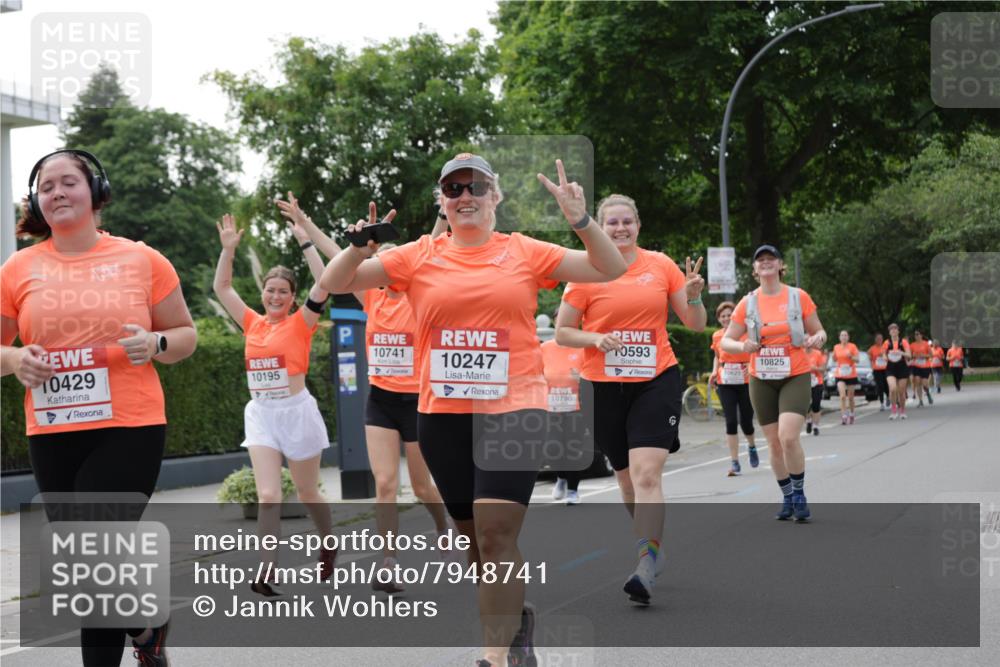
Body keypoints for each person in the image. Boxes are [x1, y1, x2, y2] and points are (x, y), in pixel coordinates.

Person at [320, 154, 626, 667]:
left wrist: (580, 219)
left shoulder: (524, 250)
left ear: (495, 196)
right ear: (442, 201)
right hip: (443, 417)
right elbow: (335, 283)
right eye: (454, 188)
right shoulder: (417, 256)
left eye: (476, 187)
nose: (465, 196)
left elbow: (610, 267)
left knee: (496, 533)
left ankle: (494, 656)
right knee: (475, 544)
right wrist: (357, 246)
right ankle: (516, 620)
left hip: (515, 410)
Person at [1, 149, 197, 666]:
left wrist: (155, 343)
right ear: (37, 203)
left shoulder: (142, 259)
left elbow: (185, 335)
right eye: (46, 187)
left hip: (129, 427)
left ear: (96, 191)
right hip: (52, 429)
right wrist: (16, 358)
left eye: (68, 182)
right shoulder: (18, 268)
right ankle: (146, 628)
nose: (57, 192)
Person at [275, 192, 452, 591]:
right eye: (378, 265)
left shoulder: (418, 297)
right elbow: (335, 254)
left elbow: (433, 244)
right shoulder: (369, 295)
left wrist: (443, 211)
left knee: (422, 487)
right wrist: (304, 223)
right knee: (385, 484)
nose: (385, 271)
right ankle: (388, 562)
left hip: (417, 402)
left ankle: (443, 528)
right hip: (381, 401)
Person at [555, 193, 706, 605]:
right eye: (612, 222)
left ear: (638, 225)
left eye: (627, 221)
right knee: (625, 481)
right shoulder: (585, 272)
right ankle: (649, 544)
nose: (620, 228)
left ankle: (645, 564)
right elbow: (563, 332)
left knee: (646, 475)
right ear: (601, 227)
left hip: (655, 379)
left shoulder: (660, 265)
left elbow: (695, 324)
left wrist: (693, 295)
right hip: (602, 387)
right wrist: (595, 339)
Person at [212, 211, 337, 597]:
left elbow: (325, 280)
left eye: (283, 291)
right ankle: (267, 570)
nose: (276, 296)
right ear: (263, 293)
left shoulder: (302, 322)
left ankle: (329, 541)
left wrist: (305, 240)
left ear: (293, 297)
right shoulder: (251, 322)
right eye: (271, 290)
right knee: (269, 495)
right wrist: (228, 250)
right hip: (262, 414)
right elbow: (222, 287)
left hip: (296, 412)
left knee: (307, 492)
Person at [721, 245, 827, 523]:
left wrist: (817, 339)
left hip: (795, 374)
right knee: (774, 443)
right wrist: (743, 345)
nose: (766, 263)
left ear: (780, 265)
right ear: (754, 269)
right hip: (761, 378)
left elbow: (819, 330)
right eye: (761, 260)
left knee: (788, 437)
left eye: (771, 259)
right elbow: (726, 341)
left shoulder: (797, 296)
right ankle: (787, 496)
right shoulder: (748, 303)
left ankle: (800, 494)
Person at [540, 309, 586, 505]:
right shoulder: (544, 348)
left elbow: (594, 376)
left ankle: (573, 491)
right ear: (554, 323)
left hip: (576, 408)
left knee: (573, 449)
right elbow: (535, 373)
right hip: (551, 407)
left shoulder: (583, 348)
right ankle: (561, 477)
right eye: (560, 319)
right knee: (552, 448)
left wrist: (581, 378)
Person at [709, 301, 758, 476]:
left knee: (746, 421)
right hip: (726, 382)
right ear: (719, 319)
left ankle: (752, 446)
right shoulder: (717, 336)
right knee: (730, 421)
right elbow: (717, 356)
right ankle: (735, 461)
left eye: (729, 315)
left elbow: (756, 354)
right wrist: (714, 371)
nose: (726, 318)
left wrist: (750, 365)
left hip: (746, 382)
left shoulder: (746, 334)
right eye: (722, 316)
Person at [882, 323, 911, 420]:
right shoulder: (887, 343)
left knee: (901, 392)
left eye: (895, 329)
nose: (893, 331)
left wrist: (901, 352)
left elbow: (909, 355)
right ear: (889, 332)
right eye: (891, 329)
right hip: (890, 367)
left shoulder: (903, 342)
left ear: (898, 331)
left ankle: (902, 411)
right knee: (893, 388)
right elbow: (883, 354)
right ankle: (894, 411)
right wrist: (885, 357)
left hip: (902, 366)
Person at [832, 330, 860, 425]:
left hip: (851, 374)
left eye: (845, 335)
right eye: (842, 335)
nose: (844, 337)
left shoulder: (852, 346)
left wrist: (851, 357)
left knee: (851, 397)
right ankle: (844, 415)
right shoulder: (836, 347)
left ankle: (851, 414)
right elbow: (834, 359)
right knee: (843, 396)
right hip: (840, 374)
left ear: (848, 337)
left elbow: (858, 360)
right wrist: (833, 357)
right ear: (839, 338)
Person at [806, 346, 827, 436]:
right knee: (806, 405)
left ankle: (815, 426)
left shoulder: (817, 353)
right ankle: (808, 421)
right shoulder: (800, 353)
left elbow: (823, 369)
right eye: (805, 341)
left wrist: (815, 368)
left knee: (816, 405)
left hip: (817, 382)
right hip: (804, 382)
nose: (807, 344)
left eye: (808, 341)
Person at [909, 330, 933, 407]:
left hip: (925, 366)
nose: (916, 336)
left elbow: (931, 355)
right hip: (916, 366)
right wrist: (913, 356)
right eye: (915, 335)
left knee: (924, 384)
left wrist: (924, 356)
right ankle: (920, 400)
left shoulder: (926, 344)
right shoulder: (912, 345)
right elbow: (909, 356)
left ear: (921, 335)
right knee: (918, 382)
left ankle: (928, 393)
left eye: (918, 334)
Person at [868, 333, 890, 410]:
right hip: (877, 370)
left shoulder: (886, 347)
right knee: (880, 386)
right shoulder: (872, 348)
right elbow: (870, 358)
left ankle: (888, 397)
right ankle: (882, 403)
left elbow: (890, 356)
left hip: (885, 369)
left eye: (880, 339)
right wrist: (872, 364)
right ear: (875, 340)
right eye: (878, 339)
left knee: (886, 385)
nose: (879, 340)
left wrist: (884, 356)